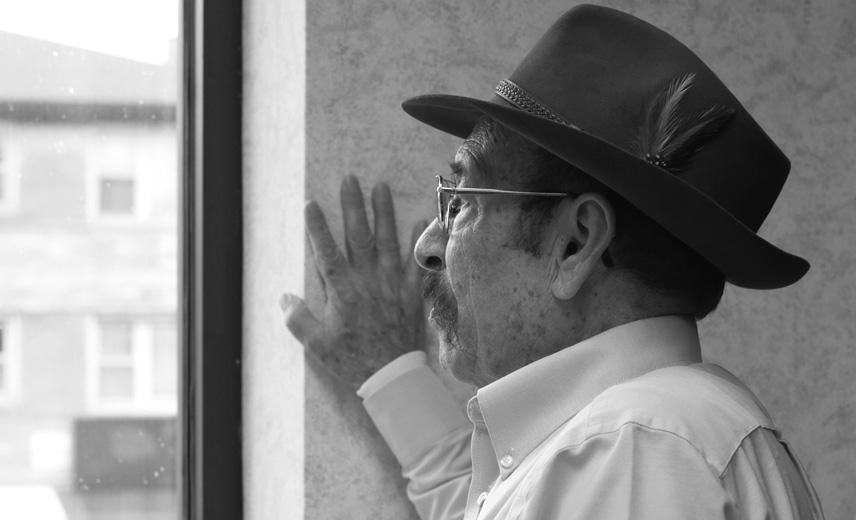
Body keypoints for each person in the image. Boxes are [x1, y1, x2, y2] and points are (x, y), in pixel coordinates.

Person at [281, 4, 824, 519]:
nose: (427, 245)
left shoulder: (631, 448)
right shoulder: (646, 442)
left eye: (462, 201)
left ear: (576, 243)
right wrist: (390, 375)